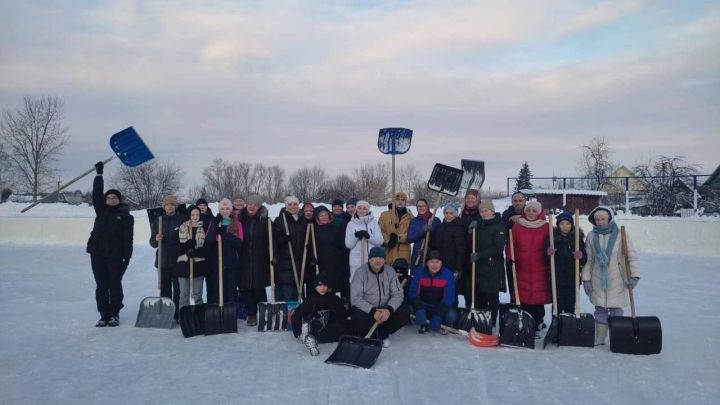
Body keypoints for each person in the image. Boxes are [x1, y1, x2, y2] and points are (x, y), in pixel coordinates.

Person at [86, 161, 134, 327]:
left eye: (114, 198)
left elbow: (128, 239)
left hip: (116, 254)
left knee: (114, 283)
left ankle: (114, 313)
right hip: (97, 252)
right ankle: (103, 313)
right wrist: (99, 174)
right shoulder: (101, 210)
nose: (111, 200)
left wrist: (126, 258)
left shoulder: (126, 216)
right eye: (109, 197)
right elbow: (97, 193)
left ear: (119, 200)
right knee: (101, 284)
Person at [582, 206, 638, 346]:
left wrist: (634, 276)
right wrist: (586, 279)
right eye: (597, 219)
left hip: (617, 278)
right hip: (597, 277)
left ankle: (617, 335)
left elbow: (631, 256)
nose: (600, 222)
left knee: (616, 308)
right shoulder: (591, 236)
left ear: (609, 219)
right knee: (600, 307)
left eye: (603, 219)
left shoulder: (620, 235)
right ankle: (600, 337)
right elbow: (589, 259)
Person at [350, 247, 412, 347]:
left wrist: (388, 310)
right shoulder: (360, 273)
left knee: (406, 311)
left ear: (384, 259)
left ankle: (383, 333)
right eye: (375, 257)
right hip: (368, 311)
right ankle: (371, 334)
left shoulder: (390, 272)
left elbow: (398, 294)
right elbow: (355, 298)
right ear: (369, 259)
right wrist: (373, 311)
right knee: (356, 313)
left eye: (381, 257)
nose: (378, 260)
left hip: (385, 311)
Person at [510, 200, 551, 334]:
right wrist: (510, 256)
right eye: (528, 210)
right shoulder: (517, 226)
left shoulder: (546, 227)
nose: (531, 213)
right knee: (524, 295)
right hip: (521, 265)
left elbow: (551, 243)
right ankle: (526, 321)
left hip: (540, 265)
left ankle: (539, 321)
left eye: (534, 211)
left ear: (539, 213)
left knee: (538, 295)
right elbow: (510, 244)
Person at [291, 274, 349, 356]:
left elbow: (342, 314)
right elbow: (296, 314)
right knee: (317, 320)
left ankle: (312, 337)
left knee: (338, 326)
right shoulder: (310, 299)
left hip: (329, 326)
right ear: (315, 286)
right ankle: (309, 335)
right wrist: (298, 333)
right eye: (319, 285)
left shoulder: (334, 299)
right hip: (313, 323)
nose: (322, 288)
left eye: (325, 285)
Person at [468, 200, 506, 325]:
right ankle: (482, 321)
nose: (484, 213)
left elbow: (498, 248)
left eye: (486, 211)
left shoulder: (499, 226)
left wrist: (479, 255)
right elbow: (473, 242)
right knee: (480, 294)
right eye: (482, 211)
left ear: (492, 211)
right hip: (479, 266)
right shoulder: (480, 225)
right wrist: (470, 230)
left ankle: (493, 320)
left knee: (492, 295)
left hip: (492, 266)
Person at [238, 195, 270, 327]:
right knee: (246, 287)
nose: (252, 206)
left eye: (255, 205)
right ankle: (251, 314)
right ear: (246, 205)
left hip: (259, 258)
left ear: (259, 207)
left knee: (259, 286)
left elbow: (271, 241)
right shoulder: (240, 220)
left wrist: (272, 257)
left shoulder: (265, 221)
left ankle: (264, 312)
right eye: (250, 204)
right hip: (243, 257)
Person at [149, 195, 183, 321]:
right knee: (165, 289)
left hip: (177, 260)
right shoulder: (158, 220)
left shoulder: (181, 220)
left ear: (175, 206)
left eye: (172, 204)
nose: (170, 206)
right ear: (164, 206)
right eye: (167, 204)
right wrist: (155, 239)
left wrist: (177, 249)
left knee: (178, 289)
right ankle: (167, 313)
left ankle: (177, 314)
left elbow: (184, 241)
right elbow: (152, 242)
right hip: (162, 260)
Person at [546, 211, 587, 314]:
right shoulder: (552, 239)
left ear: (572, 225)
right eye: (562, 224)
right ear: (558, 225)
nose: (565, 227)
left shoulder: (577, 239)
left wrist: (581, 256)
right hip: (557, 279)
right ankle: (556, 326)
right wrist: (548, 253)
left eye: (567, 224)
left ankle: (569, 326)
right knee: (557, 305)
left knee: (570, 305)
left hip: (572, 279)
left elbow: (584, 260)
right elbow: (544, 258)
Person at [408, 250, 457, 334]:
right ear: (427, 263)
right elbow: (412, 292)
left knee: (452, 316)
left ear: (441, 263)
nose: (434, 265)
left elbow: (449, 298)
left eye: (437, 262)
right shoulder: (419, 272)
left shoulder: (448, 275)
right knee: (408, 309)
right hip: (423, 305)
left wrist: (439, 314)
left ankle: (437, 321)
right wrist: (419, 308)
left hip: (439, 306)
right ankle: (423, 319)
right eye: (431, 262)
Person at [206, 199, 243, 306]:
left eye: (227, 208)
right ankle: (219, 314)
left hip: (231, 263)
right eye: (222, 208)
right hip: (217, 262)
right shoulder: (215, 222)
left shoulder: (237, 223)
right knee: (218, 290)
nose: (225, 210)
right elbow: (208, 240)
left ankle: (231, 314)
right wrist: (214, 225)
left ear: (231, 210)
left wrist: (225, 234)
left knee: (231, 290)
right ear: (219, 210)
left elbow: (239, 242)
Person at [174, 206, 209, 309]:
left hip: (199, 264)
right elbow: (175, 248)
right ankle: (183, 318)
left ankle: (199, 318)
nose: (195, 217)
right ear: (189, 215)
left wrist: (196, 252)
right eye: (193, 214)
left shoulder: (204, 228)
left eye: (197, 214)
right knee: (184, 294)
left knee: (198, 294)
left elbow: (207, 247)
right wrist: (186, 247)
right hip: (183, 265)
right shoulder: (181, 228)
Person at [309, 206, 347, 300]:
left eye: (325, 214)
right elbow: (310, 246)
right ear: (317, 217)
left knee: (332, 286)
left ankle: (332, 307)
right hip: (320, 263)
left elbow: (341, 244)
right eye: (321, 215)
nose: (324, 217)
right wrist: (312, 257)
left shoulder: (334, 227)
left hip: (334, 263)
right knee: (321, 286)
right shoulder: (314, 229)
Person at [272, 195, 305, 302]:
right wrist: (283, 239)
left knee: (297, 290)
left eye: (295, 204)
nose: (292, 207)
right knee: (286, 290)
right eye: (290, 204)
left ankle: (295, 314)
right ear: (286, 206)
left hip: (300, 261)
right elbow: (274, 240)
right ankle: (285, 313)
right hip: (285, 261)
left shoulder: (303, 220)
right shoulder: (280, 220)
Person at [344, 199, 383, 281]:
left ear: (368, 210)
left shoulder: (373, 223)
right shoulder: (351, 224)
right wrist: (356, 236)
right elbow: (348, 244)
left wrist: (369, 236)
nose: (361, 210)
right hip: (357, 259)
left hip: (371, 259)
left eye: (364, 208)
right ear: (356, 209)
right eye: (359, 208)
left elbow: (380, 241)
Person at [502, 192, 527, 301]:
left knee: (526, 283)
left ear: (525, 201)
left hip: (528, 254)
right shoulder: (506, 214)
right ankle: (514, 304)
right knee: (513, 282)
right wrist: (510, 219)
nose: (518, 203)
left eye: (520, 201)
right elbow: (502, 231)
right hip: (512, 254)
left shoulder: (530, 212)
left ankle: (529, 307)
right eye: (515, 201)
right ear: (512, 202)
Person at [378, 191, 414, 266]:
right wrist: (388, 240)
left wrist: (398, 238)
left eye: (402, 199)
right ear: (394, 201)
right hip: (388, 253)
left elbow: (412, 234)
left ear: (405, 202)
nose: (400, 202)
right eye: (397, 199)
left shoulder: (410, 217)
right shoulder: (385, 215)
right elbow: (379, 231)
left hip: (403, 255)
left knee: (401, 277)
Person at [408, 198, 441, 266]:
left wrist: (432, 232)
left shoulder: (435, 220)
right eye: (419, 206)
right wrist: (422, 230)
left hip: (431, 257)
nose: (421, 208)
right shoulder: (414, 221)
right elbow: (410, 238)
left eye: (423, 206)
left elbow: (440, 239)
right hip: (417, 255)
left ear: (427, 206)